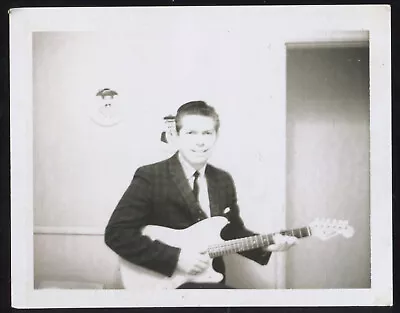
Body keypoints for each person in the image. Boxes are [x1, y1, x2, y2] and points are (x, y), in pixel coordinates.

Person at [104, 100, 297, 289]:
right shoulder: (150, 176)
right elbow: (117, 234)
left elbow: (231, 232)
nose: (200, 141)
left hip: (210, 280)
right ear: (176, 136)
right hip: (164, 285)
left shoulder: (223, 180)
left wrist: (266, 245)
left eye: (207, 133)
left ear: (216, 136)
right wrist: (176, 257)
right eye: (191, 133)